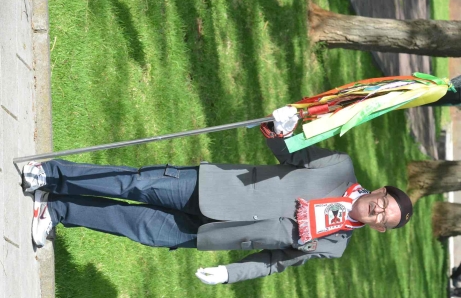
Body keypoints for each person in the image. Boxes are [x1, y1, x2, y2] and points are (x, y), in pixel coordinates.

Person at [21, 106, 413, 285]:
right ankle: (51, 174)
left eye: (384, 218)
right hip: (212, 187)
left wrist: (230, 274)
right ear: (379, 190)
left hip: (216, 234)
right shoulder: (339, 167)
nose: (378, 212)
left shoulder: (335, 245)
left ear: (379, 229)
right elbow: (291, 153)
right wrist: (282, 129)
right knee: (135, 184)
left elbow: (275, 262)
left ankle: (57, 210)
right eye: (384, 204)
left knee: (138, 227)